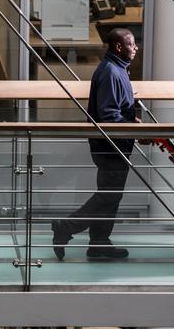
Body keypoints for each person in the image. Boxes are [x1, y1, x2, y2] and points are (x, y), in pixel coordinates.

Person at [51, 28, 143, 261]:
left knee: (110, 195)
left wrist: (132, 120)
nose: (136, 48)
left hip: (114, 145)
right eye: (132, 44)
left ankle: (99, 243)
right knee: (108, 196)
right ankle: (66, 227)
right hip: (111, 146)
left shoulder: (117, 69)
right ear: (119, 47)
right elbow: (108, 117)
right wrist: (134, 128)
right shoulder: (111, 72)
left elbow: (115, 110)